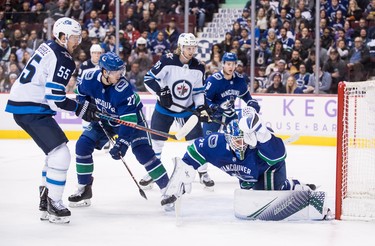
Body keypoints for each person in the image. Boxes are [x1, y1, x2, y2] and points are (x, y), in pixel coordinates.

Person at [4, 17, 98, 224]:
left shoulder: (48, 45)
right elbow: (55, 98)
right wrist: (80, 108)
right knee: (60, 154)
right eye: (74, 37)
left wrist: (79, 107)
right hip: (31, 106)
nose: (77, 42)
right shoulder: (63, 57)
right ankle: (54, 203)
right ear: (62, 37)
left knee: (54, 152)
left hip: (25, 104)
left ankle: (46, 200)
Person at [68, 52, 174, 211]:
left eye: (121, 70)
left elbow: (128, 121)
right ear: (104, 71)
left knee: (143, 152)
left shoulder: (123, 88)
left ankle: (168, 190)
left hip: (131, 120)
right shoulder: (89, 78)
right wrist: (87, 107)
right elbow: (80, 95)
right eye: (115, 71)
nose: (120, 74)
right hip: (105, 120)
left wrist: (122, 144)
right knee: (82, 145)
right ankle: (84, 189)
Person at [161, 107, 316, 206]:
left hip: (269, 169)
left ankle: (294, 186)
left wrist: (262, 134)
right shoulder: (216, 144)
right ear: (228, 138)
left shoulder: (258, 142)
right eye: (236, 140)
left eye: (243, 140)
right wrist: (183, 172)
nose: (240, 144)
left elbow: (279, 156)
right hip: (248, 176)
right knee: (249, 198)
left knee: (268, 195)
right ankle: (286, 185)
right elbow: (196, 150)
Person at [140, 33, 212, 189]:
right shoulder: (167, 60)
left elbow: (198, 91)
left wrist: (201, 107)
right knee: (157, 143)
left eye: (193, 48)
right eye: (188, 48)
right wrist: (161, 92)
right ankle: (154, 172)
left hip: (187, 110)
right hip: (165, 109)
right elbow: (149, 79)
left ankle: (203, 172)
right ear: (181, 47)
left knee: (197, 142)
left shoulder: (199, 66)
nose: (191, 51)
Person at [203, 52, 259, 137]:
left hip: (230, 115)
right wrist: (212, 106)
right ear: (223, 64)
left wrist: (251, 102)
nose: (231, 67)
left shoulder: (239, 79)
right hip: (213, 116)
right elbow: (205, 99)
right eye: (228, 64)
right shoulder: (213, 80)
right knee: (207, 141)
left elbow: (245, 95)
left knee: (238, 139)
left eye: (233, 64)